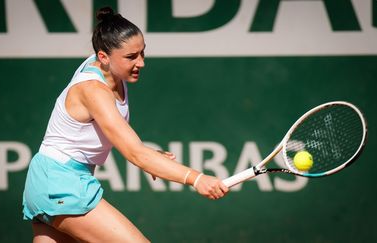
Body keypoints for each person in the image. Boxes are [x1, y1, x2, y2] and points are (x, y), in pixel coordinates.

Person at [22, 6, 229, 243]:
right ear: (103, 57)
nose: (140, 63)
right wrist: (197, 179)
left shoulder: (110, 70)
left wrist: (152, 157)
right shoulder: (94, 91)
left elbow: (118, 138)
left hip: (45, 182)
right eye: (131, 57)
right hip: (61, 185)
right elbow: (134, 152)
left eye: (142, 53)